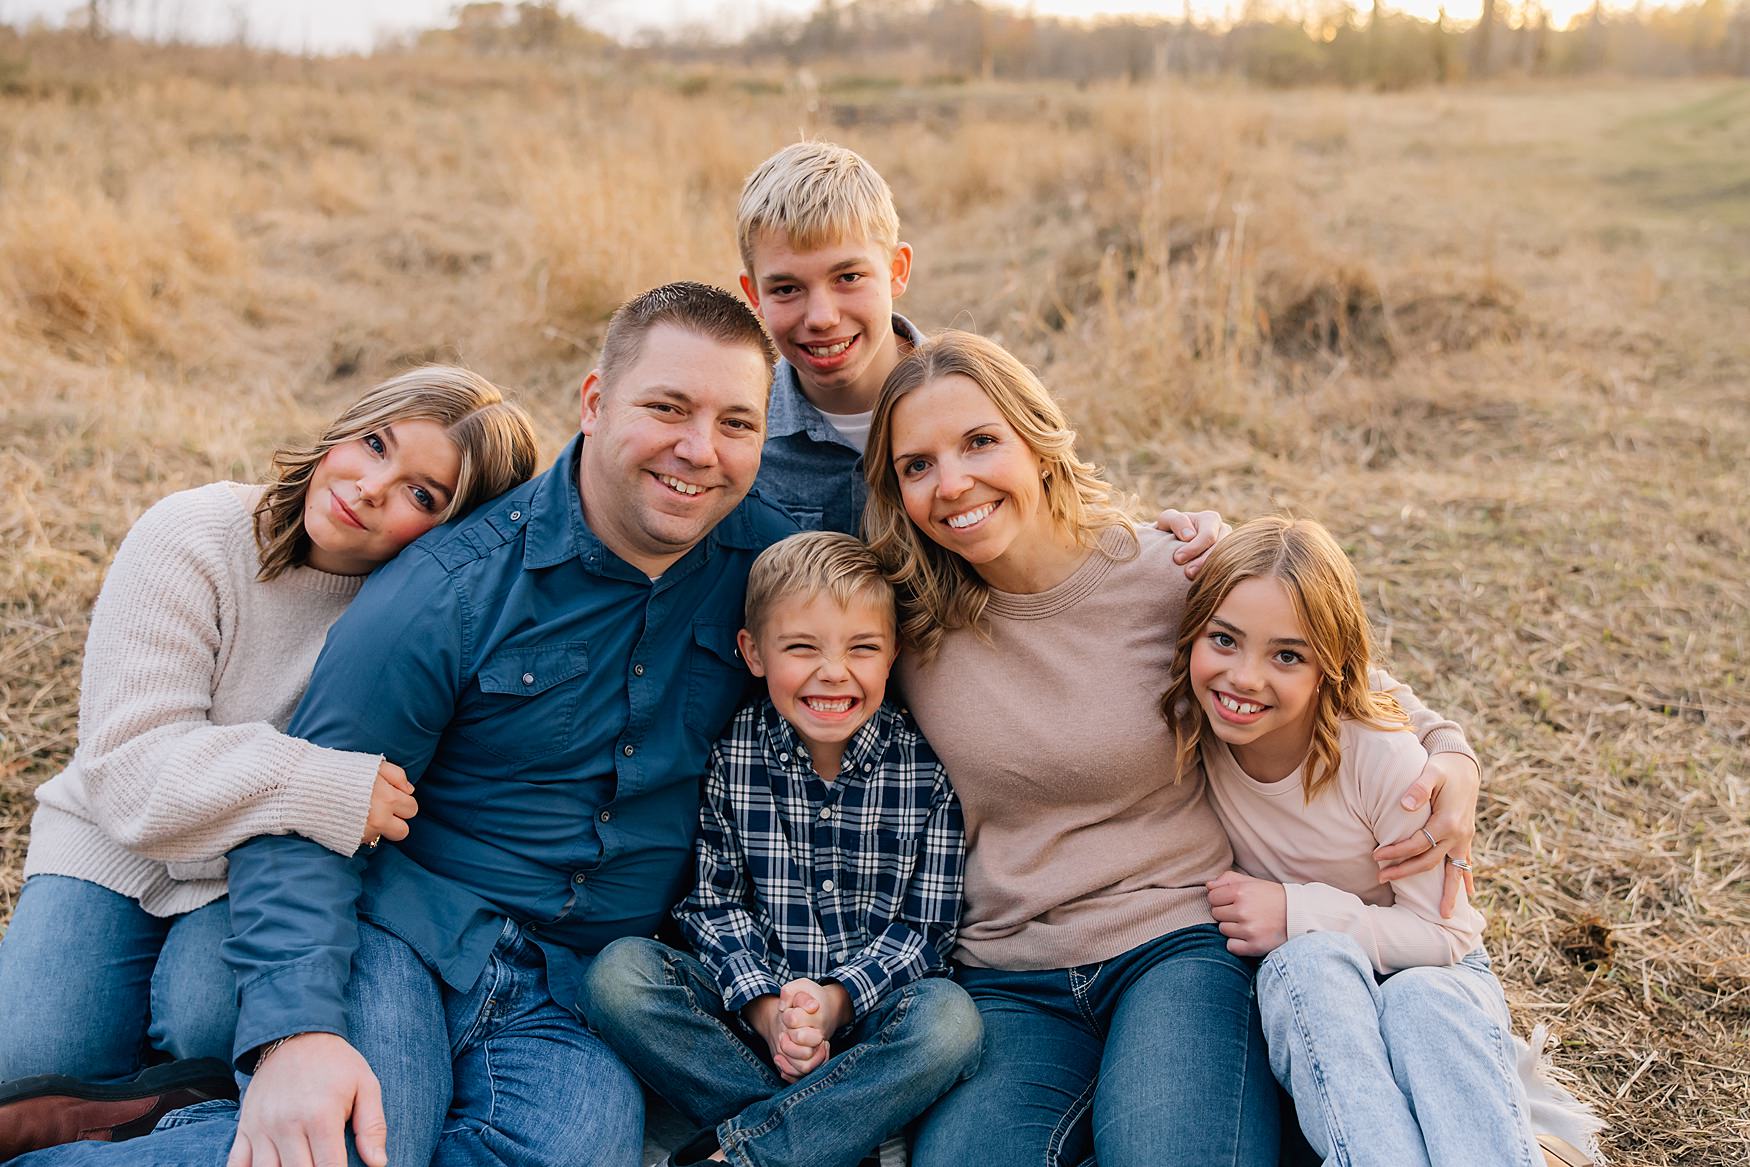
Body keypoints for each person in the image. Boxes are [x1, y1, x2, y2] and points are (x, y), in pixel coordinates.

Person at [4, 283, 798, 1167]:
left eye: (737, 423)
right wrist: (298, 1029)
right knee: (342, 1149)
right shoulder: (438, 591)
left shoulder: (773, 568)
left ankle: (199, 1126)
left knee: (573, 1148)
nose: (700, 450)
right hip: (399, 937)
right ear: (595, 400)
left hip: (570, 982)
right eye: (667, 408)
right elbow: (302, 817)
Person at [862, 330, 1485, 1167]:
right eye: (918, 464)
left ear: (1038, 441)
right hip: (1010, 976)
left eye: (980, 442)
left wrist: (1452, 753)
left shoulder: (1168, 570)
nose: (954, 483)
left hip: (1181, 940)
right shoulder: (906, 624)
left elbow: (1338, 669)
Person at [0, 368, 539, 1090]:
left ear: (457, 529)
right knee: (33, 1064)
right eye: (375, 443)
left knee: (212, 1023)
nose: (372, 486)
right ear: (345, 427)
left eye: (422, 494)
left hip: (247, 869)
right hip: (109, 842)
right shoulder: (193, 534)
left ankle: (170, 1113)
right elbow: (130, 777)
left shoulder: (421, 625)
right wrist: (318, 782)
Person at [1161, 516, 1599, 1167]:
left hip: (1430, 969)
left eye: (1287, 655)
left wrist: (1299, 911)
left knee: (1416, 999)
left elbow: (1448, 937)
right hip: (1317, 990)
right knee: (1305, 967)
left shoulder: (1383, 759)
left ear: (1330, 666)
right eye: (1224, 639)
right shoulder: (1193, 724)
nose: (1245, 677)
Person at [586, 531, 982, 1167]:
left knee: (951, 1023)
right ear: (754, 652)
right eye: (801, 648)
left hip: (874, 1014)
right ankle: (830, 1139)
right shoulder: (733, 755)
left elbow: (926, 929)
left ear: (893, 656)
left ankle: (749, 1153)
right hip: (753, 1014)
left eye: (863, 649)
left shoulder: (924, 768)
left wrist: (835, 1002)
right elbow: (712, 903)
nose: (833, 672)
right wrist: (771, 1012)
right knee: (619, 976)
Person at [734, 140, 1227, 566]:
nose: (820, 316)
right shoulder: (739, 442)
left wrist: (1171, 544)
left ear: (898, 270)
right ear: (753, 295)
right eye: (785, 289)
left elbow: (1066, 525)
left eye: (848, 278)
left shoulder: (986, 396)